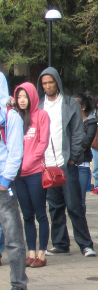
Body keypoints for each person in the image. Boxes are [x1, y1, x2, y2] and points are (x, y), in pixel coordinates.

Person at [37, 67, 95, 257]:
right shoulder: (39, 105)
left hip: (66, 162)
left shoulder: (69, 103)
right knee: (54, 206)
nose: (47, 86)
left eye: (50, 82)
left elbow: (78, 132)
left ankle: (85, 244)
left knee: (74, 205)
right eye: (44, 83)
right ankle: (60, 243)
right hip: (46, 164)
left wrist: (73, 157)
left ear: (57, 82)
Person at [12, 82, 50, 269]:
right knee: (26, 215)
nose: (22, 100)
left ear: (32, 96)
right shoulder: (16, 117)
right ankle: (31, 253)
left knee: (40, 214)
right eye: (19, 97)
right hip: (19, 176)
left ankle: (42, 254)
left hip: (35, 173)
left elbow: (42, 143)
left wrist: (27, 163)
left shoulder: (41, 115)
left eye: (25, 96)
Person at [0, 73, 27, 290]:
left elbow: (16, 152)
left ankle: (18, 284)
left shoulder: (11, 117)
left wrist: (4, 181)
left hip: (3, 186)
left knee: (13, 239)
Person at [73, 93, 97, 210]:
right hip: (69, 164)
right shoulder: (68, 122)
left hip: (82, 163)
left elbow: (85, 144)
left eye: (74, 105)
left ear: (82, 107)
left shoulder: (91, 122)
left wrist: (73, 143)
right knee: (71, 199)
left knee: (81, 198)